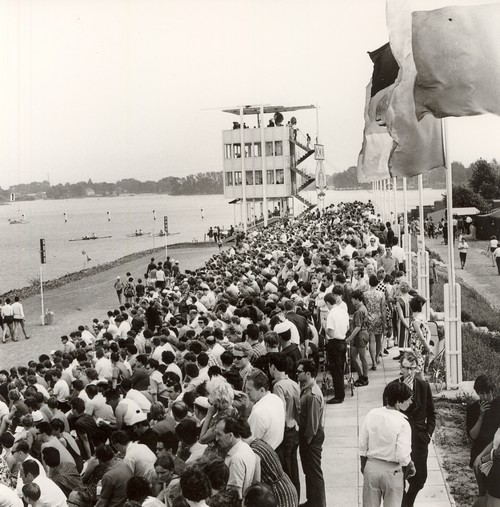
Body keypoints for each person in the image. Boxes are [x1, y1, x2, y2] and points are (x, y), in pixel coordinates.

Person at [385, 352, 436, 507]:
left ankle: (407, 503)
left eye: (412, 368)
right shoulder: (392, 388)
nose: (408, 372)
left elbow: (431, 412)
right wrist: (403, 391)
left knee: (420, 479)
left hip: (420, 437)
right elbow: (387, 414)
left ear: (416, 368)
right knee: (400, 477)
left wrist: (428, 433)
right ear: (401, 368)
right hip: (400, 437)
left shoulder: (423, 386)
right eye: (405, 368)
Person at [360, 382, 415, 507]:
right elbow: (402, 455)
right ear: (398, 402)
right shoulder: (403, 423)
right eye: (408, 399)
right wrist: (410, 465)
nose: (410, 402)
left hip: (372, 469)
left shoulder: (372, 414)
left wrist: (364, 466)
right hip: (392, 472)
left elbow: (363, 444)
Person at [296, 359, 326, 507]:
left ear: (308, 374)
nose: (297, 373)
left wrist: (307, 443)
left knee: (314, 471)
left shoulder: (313, 395)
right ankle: (312, 501)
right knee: (308, 470)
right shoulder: (306, 388)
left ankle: (319, 503)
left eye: (299, 371)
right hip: (307, 435)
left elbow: (312, 425)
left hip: (311, 437)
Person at [467, 375, 500, 498]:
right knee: (483, 491)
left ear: (493, 390)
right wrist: (481, 416)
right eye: (481, 393)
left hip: (496, 451)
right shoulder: (473, 409)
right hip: (479, 452)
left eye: (487, 393)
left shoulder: (498, 405)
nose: (485, 397)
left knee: (495, 491)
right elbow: (472, 436)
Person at [215, 416, 256, 498]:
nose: (216, 439)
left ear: (230, 435)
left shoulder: (236, 459)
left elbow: (233, 495)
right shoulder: (246, 447)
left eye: (219, 434)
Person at [246, 369, 285, 450]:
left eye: (249, 390)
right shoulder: (277, 399)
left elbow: (251, 443)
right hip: (276, 449)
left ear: (262, 390)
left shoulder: (258, 413)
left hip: (261, 453)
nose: (246, 393)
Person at [324, 290, 349, 404]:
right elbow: (347, 327)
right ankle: (340, 393)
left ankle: (339, 396)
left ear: (327, 303)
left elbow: (331, 333)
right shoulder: (343, 312)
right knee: (341, 369)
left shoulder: (331, 314)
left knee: (336, 371)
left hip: (334, 343)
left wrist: (325, 328)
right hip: (343, 341)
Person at [346, 290, 370, 387]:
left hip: (360, 335)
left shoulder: (359, 311)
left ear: (356, 299)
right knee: (353, 356)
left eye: (352, 299)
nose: (351, 301)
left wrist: (349, 338)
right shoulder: (363, 308)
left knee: (362, 357)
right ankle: (361, 376)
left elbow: (358, 326)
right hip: (362, 334)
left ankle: (365, 378)